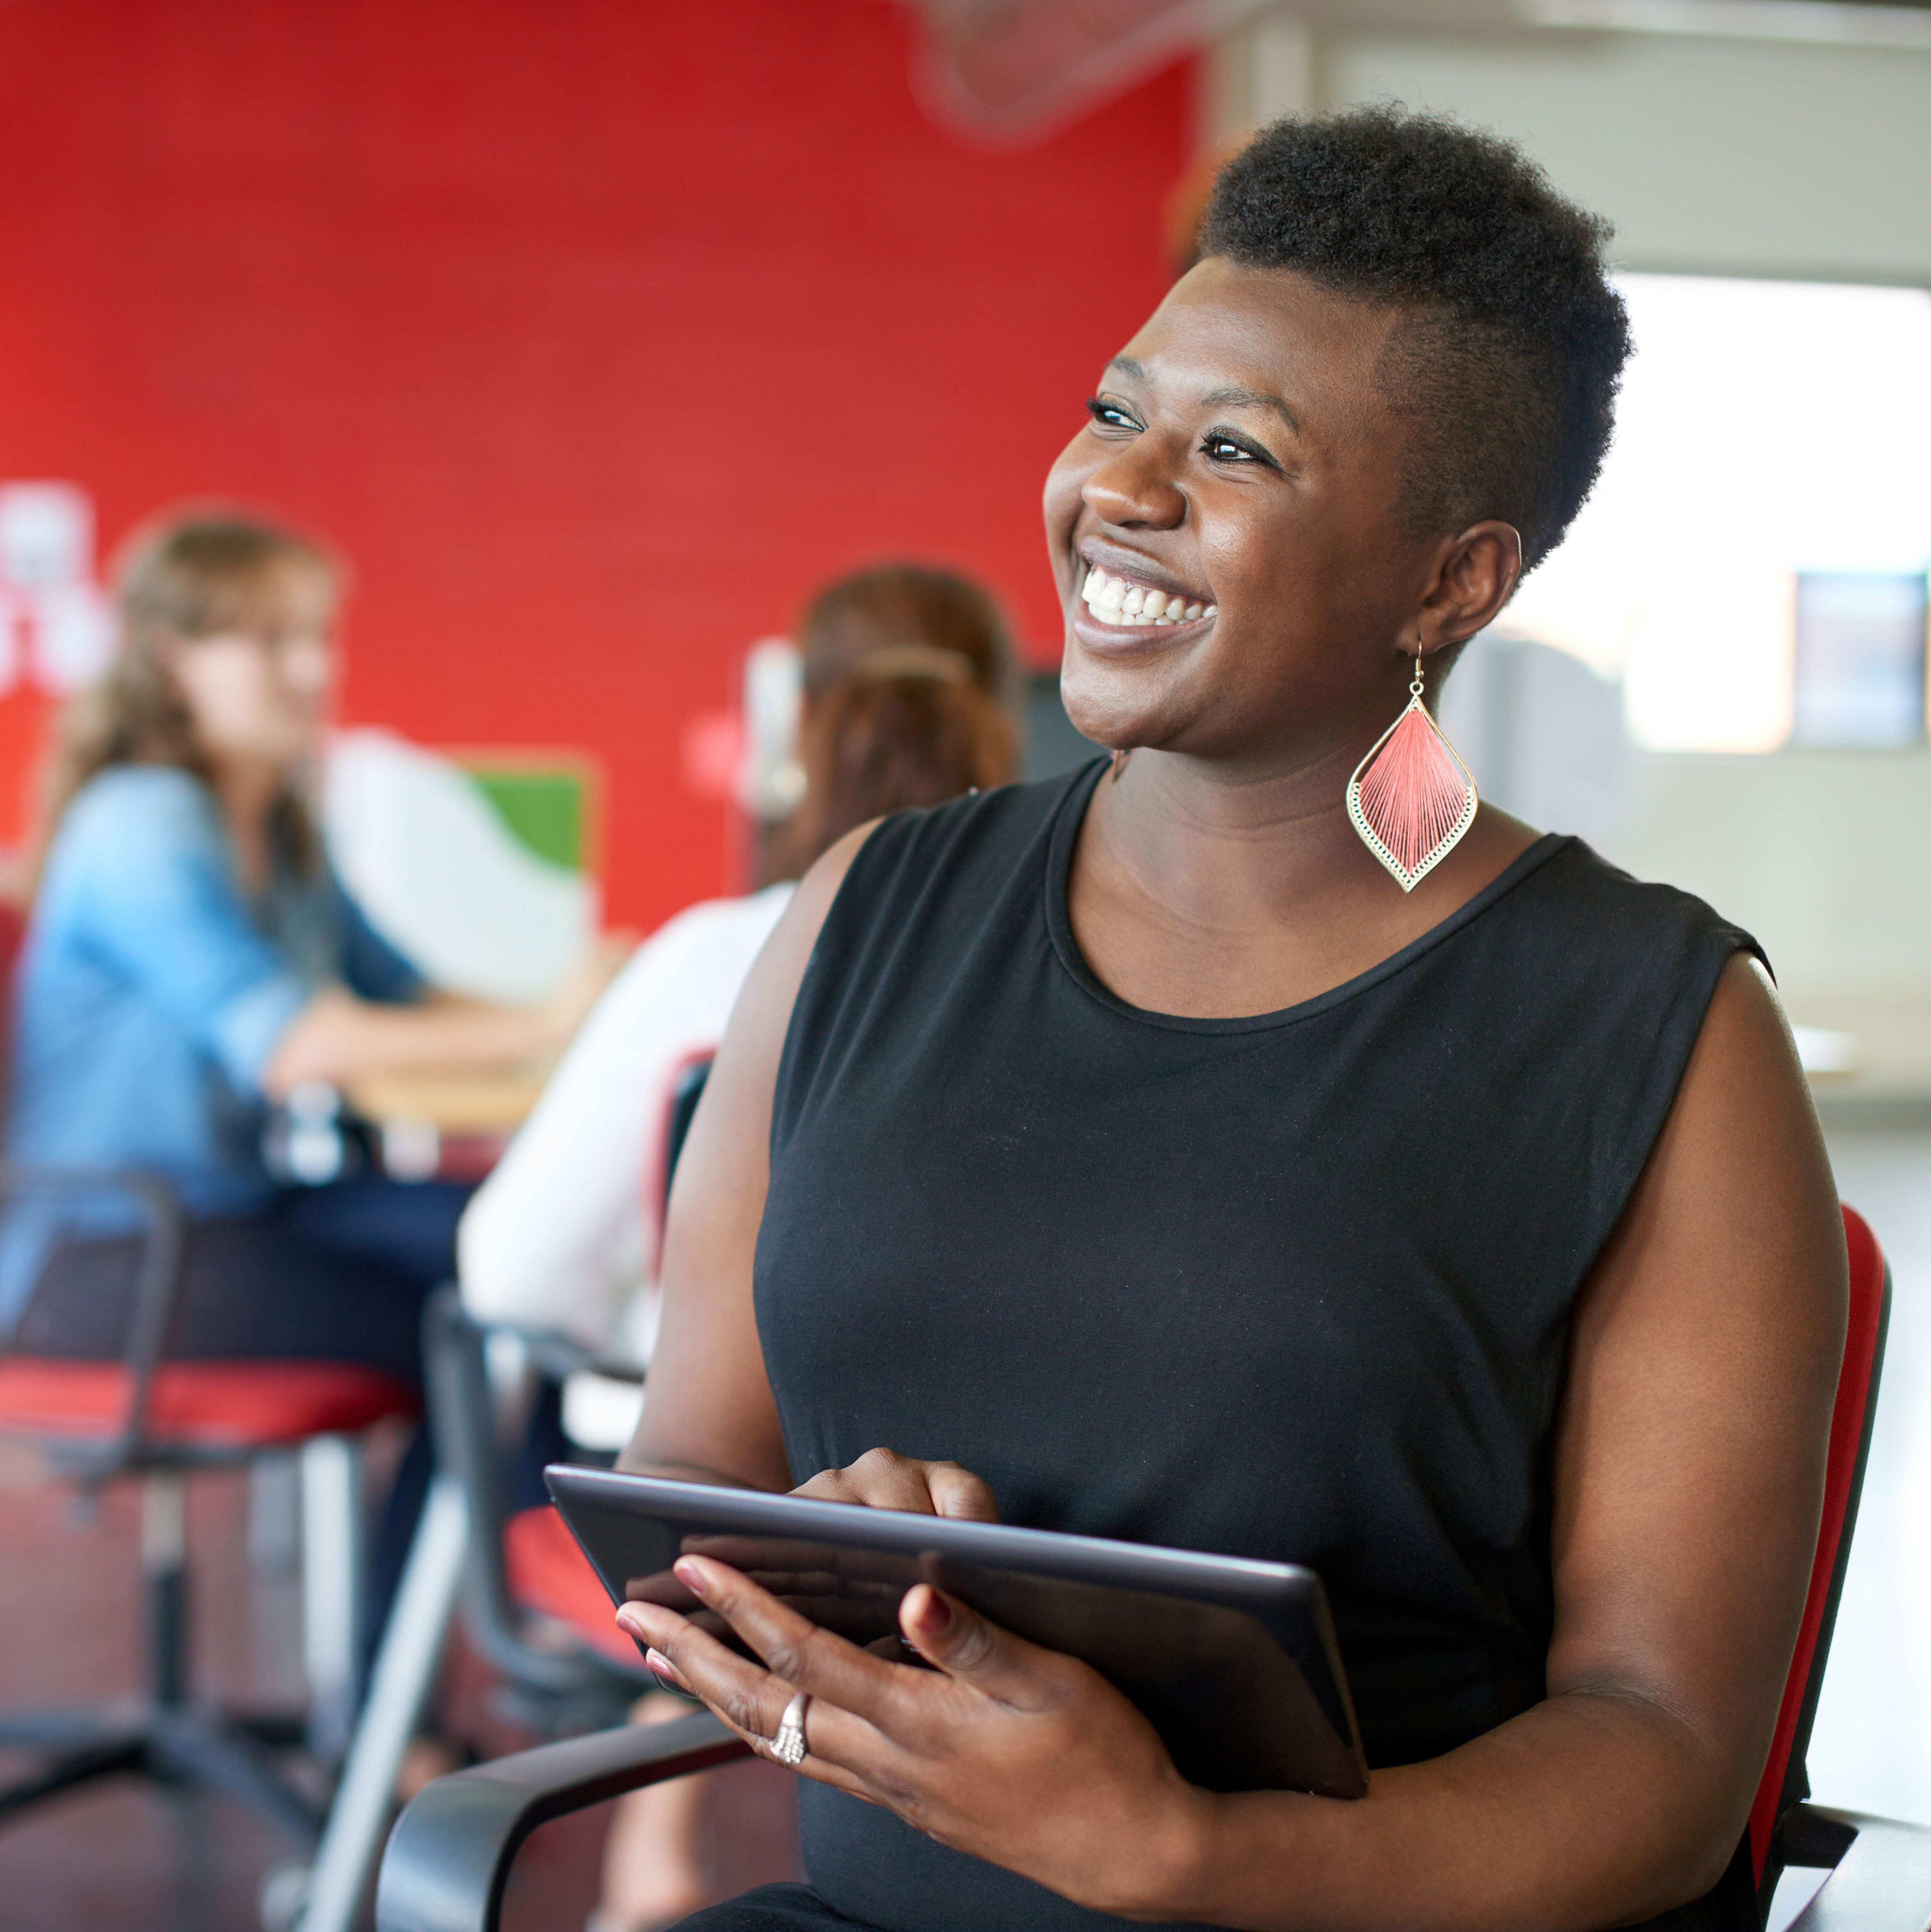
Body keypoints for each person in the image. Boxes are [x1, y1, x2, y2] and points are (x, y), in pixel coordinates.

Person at [604, 109, 1846, 1932]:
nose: (1121, 486)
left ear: (1453, 581)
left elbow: (1663, 1755)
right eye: (1119, 412)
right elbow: (682, 1478)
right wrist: (826, 1555)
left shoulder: (1656, 1037)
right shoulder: (865, 911)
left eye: (1236, 449)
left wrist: (1186, 1852)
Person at [458, 563, 1017, 1932]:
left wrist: (634, 1315)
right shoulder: (1069, 977)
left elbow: (509, 1273)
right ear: (1008, 728)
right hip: (992, 1518)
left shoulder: (713, 957)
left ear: (802, 730)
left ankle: (595, 1837)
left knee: (581, 1383)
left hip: (705, 1511)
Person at [3, 509, 610, 1613]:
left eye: (316, 637)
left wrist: (579, 1010)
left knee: (536, 1245)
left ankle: (487, 1654)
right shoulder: (144, 822)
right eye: (269, 640)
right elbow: (297, 1046)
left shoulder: (278, 825)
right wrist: (543, 1026)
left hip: (238, 1213)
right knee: (492, 1324)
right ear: (170, 657)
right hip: (109, 1260)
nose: (310, 669)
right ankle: (429, 1692)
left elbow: (403, 993)